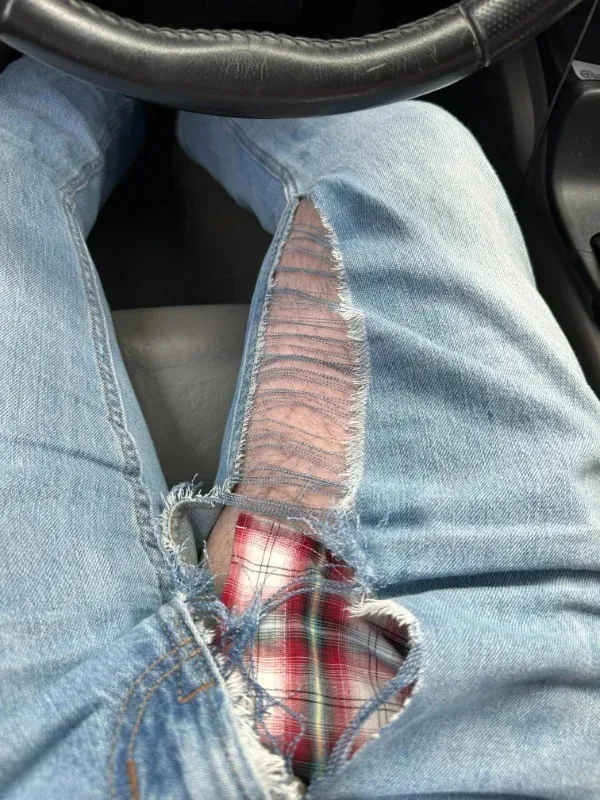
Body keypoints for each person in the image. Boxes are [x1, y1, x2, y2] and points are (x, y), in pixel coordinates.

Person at [0, 55, 598, 800]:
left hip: (40, 757)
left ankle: (116, 59)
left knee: (14, 139)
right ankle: (204, 69)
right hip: (510, 689)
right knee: (406, 139)